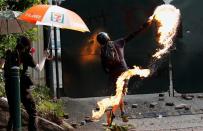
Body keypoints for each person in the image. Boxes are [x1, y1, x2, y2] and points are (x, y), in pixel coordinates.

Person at [96, 19, 151, 126]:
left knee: (115, 94)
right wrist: (145, 25)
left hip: (113, 74)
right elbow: (133, 35)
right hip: (124, 72)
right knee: (120, 94)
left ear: (100, 42)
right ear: (108, 37)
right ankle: (120, 113)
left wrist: (109, 72)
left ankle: (116, 115)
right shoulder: (119, 42)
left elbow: (104, 67)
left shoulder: (102, 51)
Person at [4, 36, 49, 131]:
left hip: (9, 87)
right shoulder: (25, 55)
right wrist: (44, 57)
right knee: (32, 112)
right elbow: (39, 68)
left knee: (13, 113)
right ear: (27, 46)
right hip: (22, 88)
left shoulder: (10, 54)